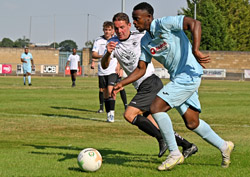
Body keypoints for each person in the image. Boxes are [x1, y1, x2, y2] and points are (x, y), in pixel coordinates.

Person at [113, 2, 234, 171]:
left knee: (156, 107)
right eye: (133, 19)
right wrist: (122, 83)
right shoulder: (146, 41)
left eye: (136, 19)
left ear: (149, 18)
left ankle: (174, 153)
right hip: (178, 78)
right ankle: (224, 146)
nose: (134, 23)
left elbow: (195, 24)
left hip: (189, 74)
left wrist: (196, 50)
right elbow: (141, 68)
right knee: (192, 123)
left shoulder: (165, 24)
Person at [101, 12, 198, 158]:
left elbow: (160, 38)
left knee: (129, 114)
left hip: (150, 82)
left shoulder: (140, 36)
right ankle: (188, 146)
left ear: (129, 25)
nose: (119, 31)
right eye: (116, 28)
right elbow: (104, 64)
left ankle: (161, 139)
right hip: (141, 86)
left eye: (122, 27)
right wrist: (107, 54)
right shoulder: (113, 44)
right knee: (156, 124)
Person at [92, 21, 127, 122]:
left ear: (113, 31)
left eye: (109, 30)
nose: (107, 32)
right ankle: (108, 113)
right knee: (105, 93)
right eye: (105, 30)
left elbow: (121, 55)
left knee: (111, 90)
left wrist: (120, 67)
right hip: (102, 70)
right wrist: (104, 56)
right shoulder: (98, 41)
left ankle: (112, 114)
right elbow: (94, 54)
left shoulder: (116, 40)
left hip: (113, 70)